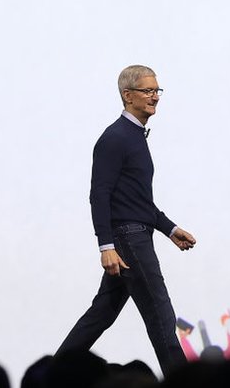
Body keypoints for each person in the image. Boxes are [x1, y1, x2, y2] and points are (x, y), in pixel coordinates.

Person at [58, 65, 197, 376]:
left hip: (135, 233)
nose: (155, 97)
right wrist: (106, 245)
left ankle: (54, 374)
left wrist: (169, 229)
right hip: (129, 238)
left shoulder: (134, 137)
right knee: (160, 314)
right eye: (147, 91)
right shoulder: (116, 138)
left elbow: (137, 201)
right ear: (127, 95)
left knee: (102, 313)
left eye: (157, 91)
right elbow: (100, 194)